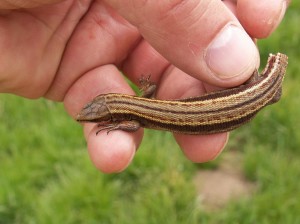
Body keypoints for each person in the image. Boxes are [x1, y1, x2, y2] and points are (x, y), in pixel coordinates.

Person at [0, 0, 289, 173]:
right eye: (93, 113)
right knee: (263, 91)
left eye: (97, 115)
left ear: (115, 116)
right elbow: (144, 100)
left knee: (256, 84)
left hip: (238, 106)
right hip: (242, 101)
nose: (85, 116)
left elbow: (134, 122)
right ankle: (267, 77)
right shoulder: (138, 110)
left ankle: (264, 74)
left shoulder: (137, 117)